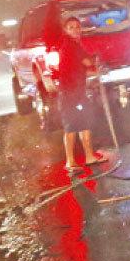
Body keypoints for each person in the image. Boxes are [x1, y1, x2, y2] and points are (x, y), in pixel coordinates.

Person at [54, 16, 106, 171]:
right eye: (71, 27)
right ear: (65, 30)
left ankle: (89, 156)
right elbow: (87, 62)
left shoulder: (74, 45)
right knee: (71, 126)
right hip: (69, 94)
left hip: (78, 92)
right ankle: (70, 162)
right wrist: (96, 63)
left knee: (84, 122)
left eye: (77, 26)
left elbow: (83, 65)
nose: (76, 30)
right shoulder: (70, 45)